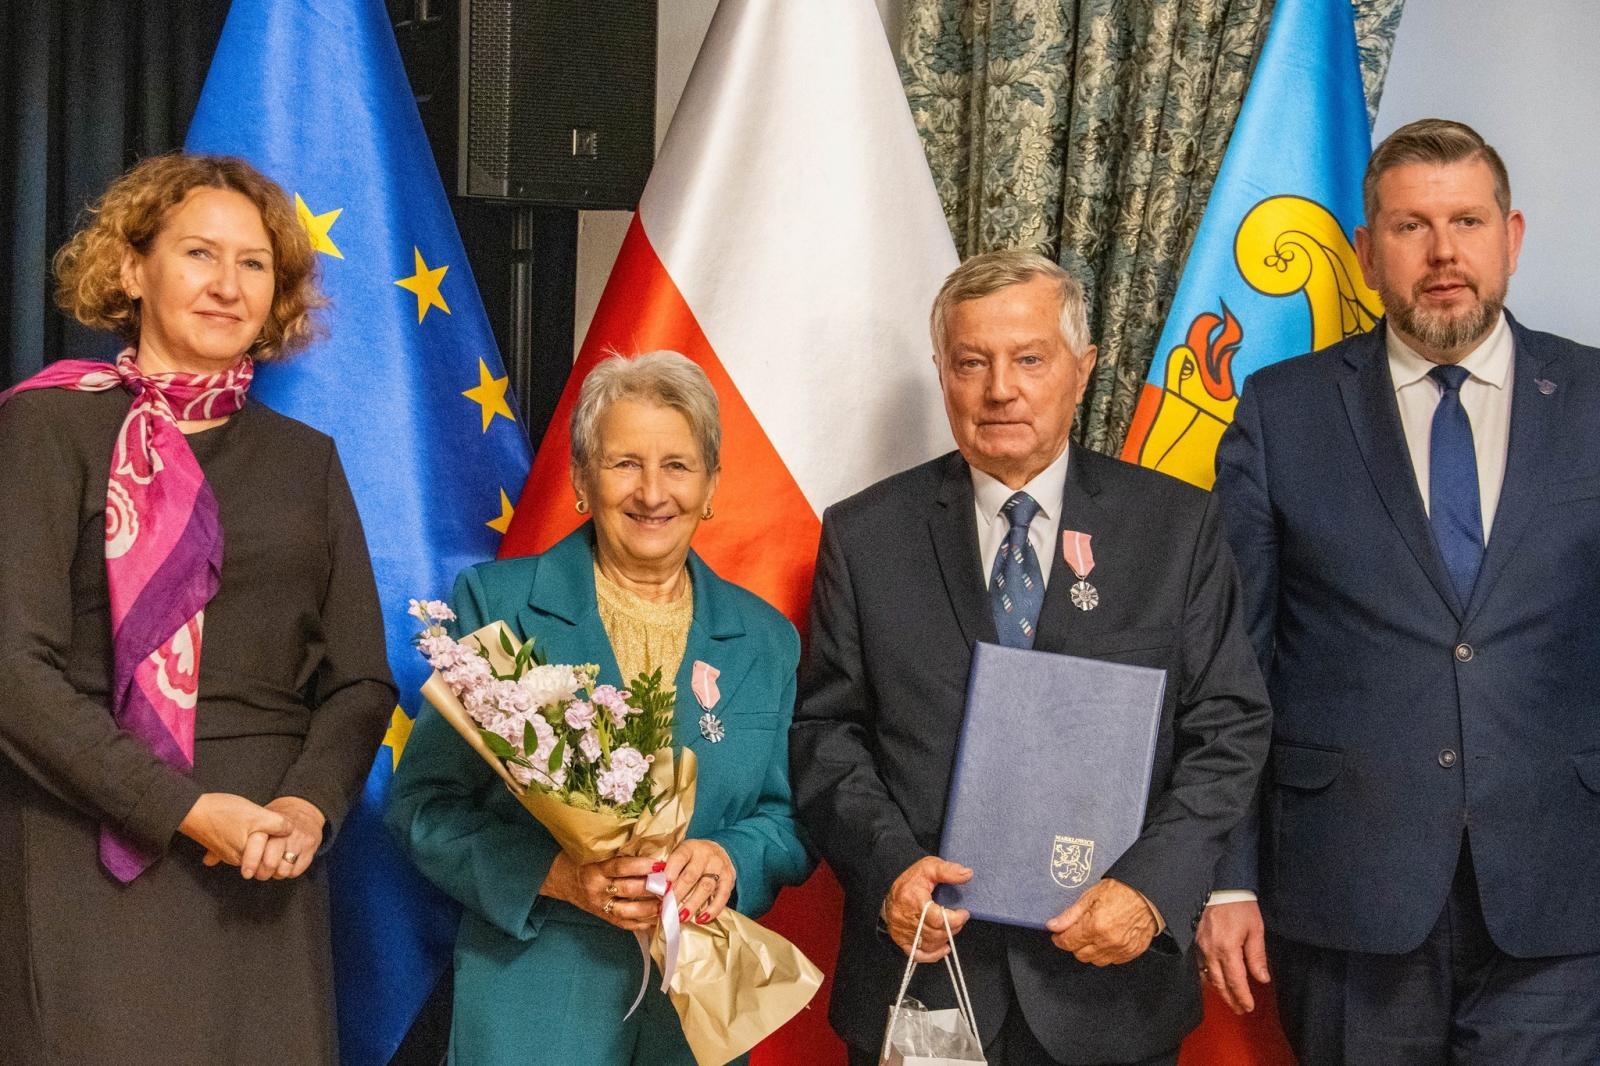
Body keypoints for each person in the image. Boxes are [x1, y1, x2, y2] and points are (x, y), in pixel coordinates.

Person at [790, 249, 1270, 1066]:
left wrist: (1152, 892)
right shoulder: (866, 536)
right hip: (924, 980)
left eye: (1029, 359)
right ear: (941, 372)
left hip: (1108, 988)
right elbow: (825, 735)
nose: (999, 388)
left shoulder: (1175, 530)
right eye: (971, 362)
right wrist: (891, 872)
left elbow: (1228, 730)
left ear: (1081, 372)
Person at [1203, 118, 1600, 1064]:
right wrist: (1227, 880)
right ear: (1365, 251)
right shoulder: (1281, 409)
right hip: (1349, 895)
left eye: (1467, 220)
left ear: (1512, 235)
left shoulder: (1594, 398)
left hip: (1564, 890)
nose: (1444, 252)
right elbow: (1230, 661)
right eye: (1410, 226)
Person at [0, 153, 396, 1065]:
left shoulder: (308, 461)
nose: (227, 286)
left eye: (253, 264)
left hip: (261, 864)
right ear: (133, 269)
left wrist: (308, 808)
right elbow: (15, 674)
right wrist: (179, 808)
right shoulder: (44, 428)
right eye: (198, 255)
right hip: (89, 849)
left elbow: (362, 681)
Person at [387, 351, 813, 1065]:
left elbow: (790, 815)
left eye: (677, 465)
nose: (652, 492)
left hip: (696, 1018)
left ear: (710, 485)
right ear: (583, 479)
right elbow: (421, 809)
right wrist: (554, 875)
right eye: (623, 464)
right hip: (537, 1005)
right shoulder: (498, 609)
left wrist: (731, 858)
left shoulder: (767, 639)